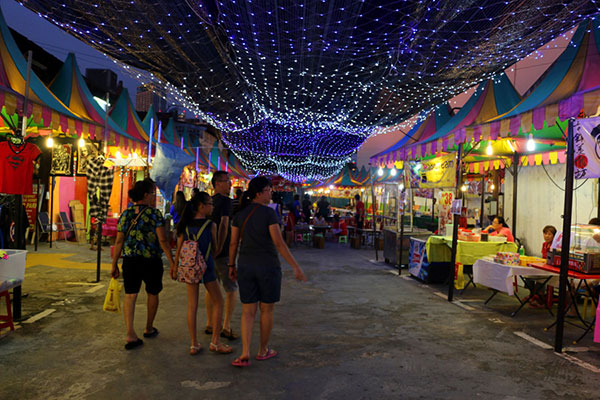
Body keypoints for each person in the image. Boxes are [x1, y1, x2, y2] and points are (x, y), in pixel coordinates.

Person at [228, 176, 306, 367]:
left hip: (245, 265)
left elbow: (233, 242)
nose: (271, 192)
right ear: (259, 193)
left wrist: (231, 265)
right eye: (268, 189)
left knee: (248, 311)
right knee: (267, 309)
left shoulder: (240, 214)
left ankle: (245, 352)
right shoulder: (269, 214)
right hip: (268, 267)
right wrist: (295, 266)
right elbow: (278, 243)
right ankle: (262, 350)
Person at [111, 178, 174, 350]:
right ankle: (148, 327)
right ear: (146, 195)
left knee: (130, 294)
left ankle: (130, 333)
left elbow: (119, 241)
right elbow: (163, 240)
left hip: (130, 260)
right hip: (151, 260)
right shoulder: (155, 215)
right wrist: (172, 261)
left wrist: (114, 263)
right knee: (153, 292)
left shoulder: (126, 214)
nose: (155, 196)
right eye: (153, 193)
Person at [172, 192, 233, 355]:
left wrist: (175, 267)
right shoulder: (210, 225)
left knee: (192, 305)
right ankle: (215, 342)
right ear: (201, 206)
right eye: (210, 204)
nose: (212, 207)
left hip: (189, 267)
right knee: (219, 301)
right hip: (207, 267)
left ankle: (193, 344)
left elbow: (178, 249)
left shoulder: (184, 225)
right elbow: (215, 248)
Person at [207, 171, 238, 340]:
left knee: (212, 287)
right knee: (231, 289)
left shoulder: (208, 201)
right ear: (217, 183)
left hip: (208, 250)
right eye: (227, 181)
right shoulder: (226, 201)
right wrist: (220, 247)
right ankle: (226, 326)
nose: (230, 184)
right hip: (223, 250)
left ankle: (210, 323)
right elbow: (225, 225)